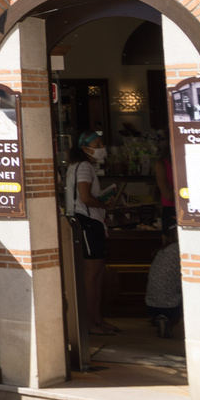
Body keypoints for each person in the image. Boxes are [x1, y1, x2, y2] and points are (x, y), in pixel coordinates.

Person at [68, 131, 118, 335]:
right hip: (88, 222)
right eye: (96, 144)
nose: (100, 147)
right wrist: (104, 205)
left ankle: (97, 319)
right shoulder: (85, 167)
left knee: (96, 274)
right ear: (84, 147)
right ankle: (90, 322)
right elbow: (86, 198)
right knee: (92, 274)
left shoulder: (78, 166)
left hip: (89, 222)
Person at [145, 229, 182, 338]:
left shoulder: (163, 250)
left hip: (151, 304)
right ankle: (169, 320)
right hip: (173, 304)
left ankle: (160, 317)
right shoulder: (181, 250)